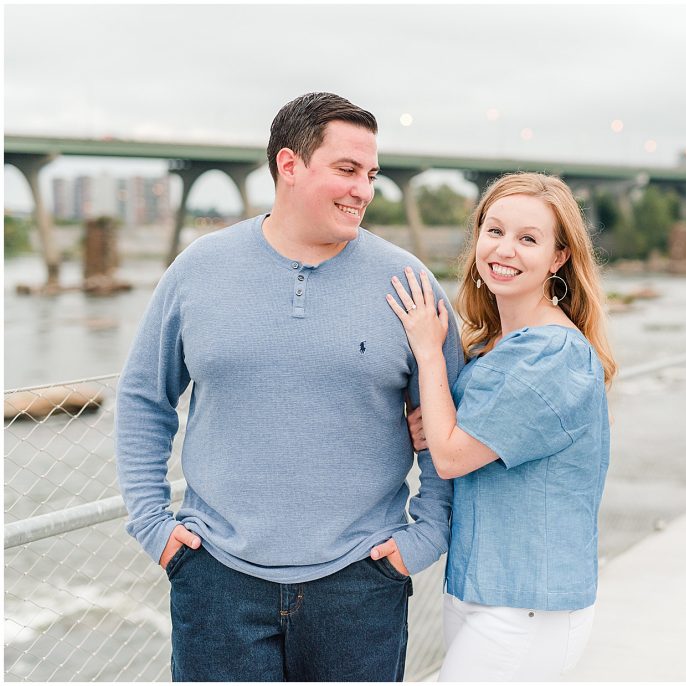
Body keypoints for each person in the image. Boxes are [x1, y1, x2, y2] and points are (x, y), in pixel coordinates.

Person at [115, 92, 463, 681]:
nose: (364, 190)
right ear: (289, 165)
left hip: (361, 583)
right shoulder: (199, 270)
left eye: (371, 174)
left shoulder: (408, 282)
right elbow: (144, 399)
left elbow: (450, 418)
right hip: (216, 580)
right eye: (347, 170)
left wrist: (427, 534)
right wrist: (153, 524)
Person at [386, 172, 617, 680]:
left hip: (530, 603)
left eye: (528, 239)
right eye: (494, 231)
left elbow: (449, 457)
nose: (504, 249)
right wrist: (432, 417)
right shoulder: (493, 345)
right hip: (478, 588)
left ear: (559, 257)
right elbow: (454, 438)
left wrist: (427, 349)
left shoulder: (551, 355)